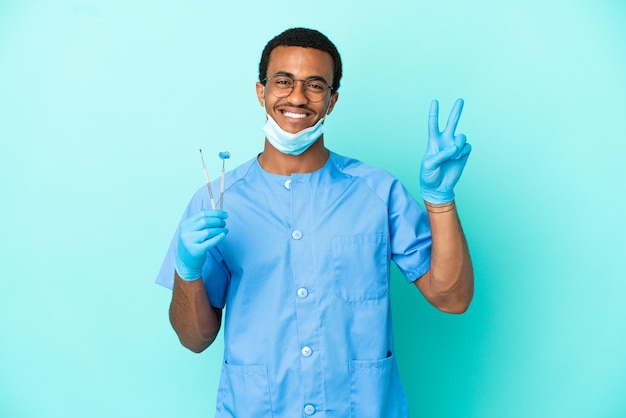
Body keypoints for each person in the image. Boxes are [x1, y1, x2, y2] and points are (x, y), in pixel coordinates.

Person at [156, 27, 473, 418]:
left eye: (315, 85)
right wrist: (187, 270)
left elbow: (453, 298)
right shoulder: (216, 201)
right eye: (283, 81)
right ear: (261, 91)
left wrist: (440, 201)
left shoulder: (378, 192)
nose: (297, 97)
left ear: (332, 101)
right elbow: (194, 339)